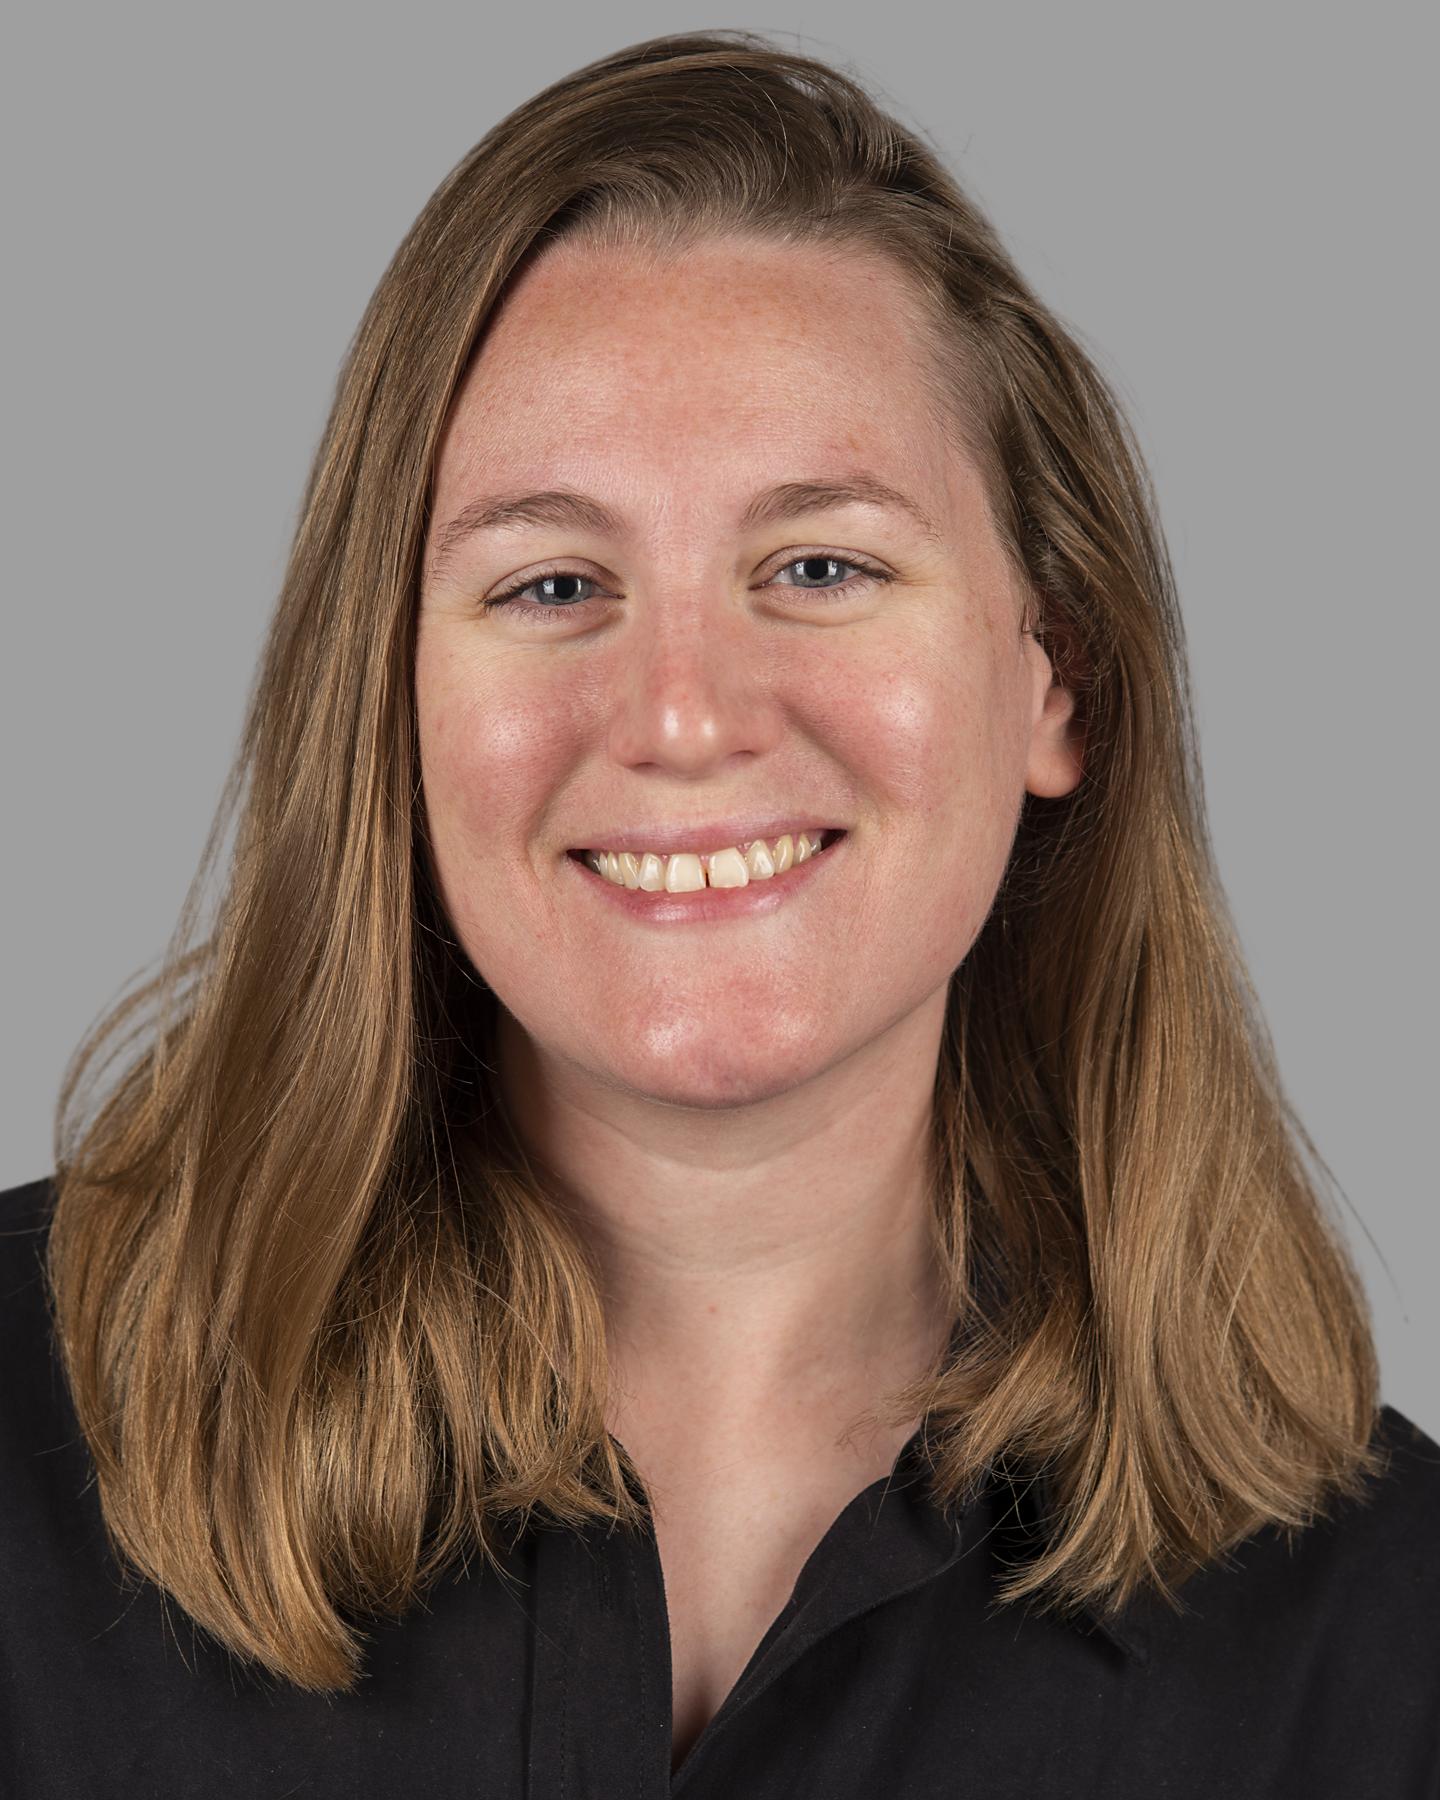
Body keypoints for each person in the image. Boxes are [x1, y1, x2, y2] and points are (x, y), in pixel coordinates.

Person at [2, 27, 1436, 1799]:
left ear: (1055, 675)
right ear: (383, 708)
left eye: (820, 566)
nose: (683, 714)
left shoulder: (1383, 1647)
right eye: (552, 580)